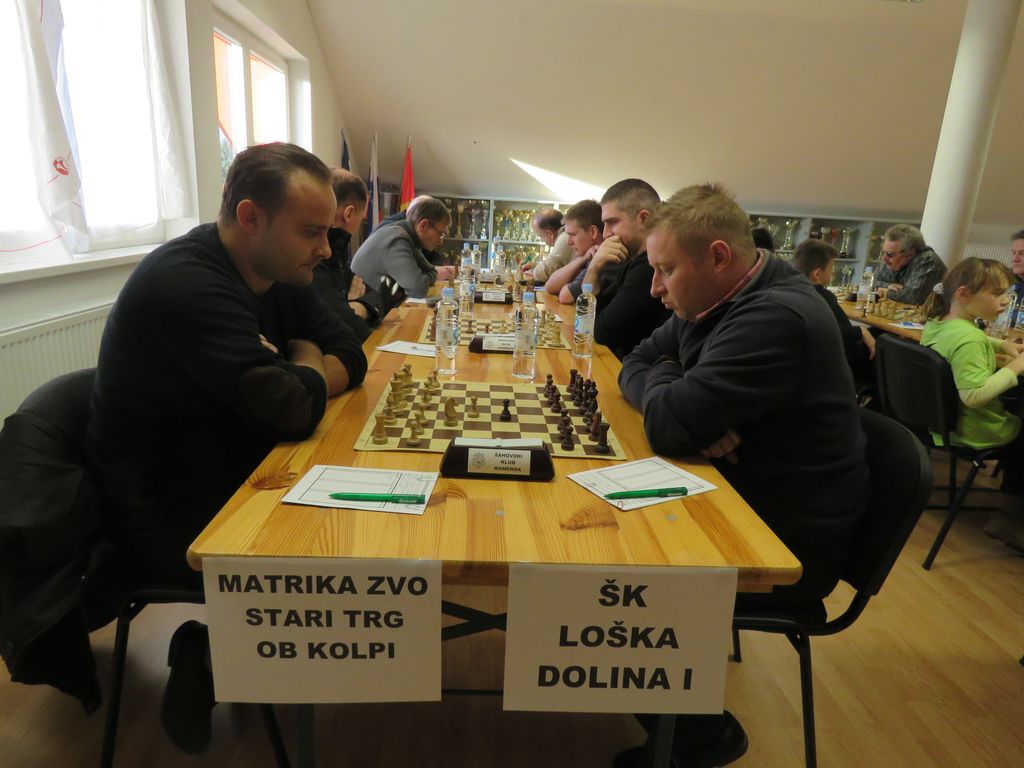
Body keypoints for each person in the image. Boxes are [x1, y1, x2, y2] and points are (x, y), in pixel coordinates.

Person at [86, 142, 368, 753]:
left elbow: (351, 349)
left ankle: (225, 649)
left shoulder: (275, 271)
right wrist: (304, 369)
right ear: (250, 217)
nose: (327, 249)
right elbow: (292, 409)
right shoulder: (185, 283)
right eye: (311, 232)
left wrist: (298, 362)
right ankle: (213, 654)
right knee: (347, 532)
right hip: (164, 513)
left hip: (234, 468)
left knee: (366, 506)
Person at [616, 183, 869, 768]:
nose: (655, 289)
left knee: (612, 568)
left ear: (719, 257)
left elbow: (668, 424)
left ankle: (699, 736)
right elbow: (636, 359)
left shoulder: (776, 316)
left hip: (784, 537)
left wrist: (676, 402)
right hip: (739, 495)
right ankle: (680, 712)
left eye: (666, 270)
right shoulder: (712, 300)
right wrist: (676, 392)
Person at [920, 258, 1024, 553]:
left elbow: (965, 338)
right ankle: (1011, 519)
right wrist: (1017, 365)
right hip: (975, 430)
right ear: (964, 294)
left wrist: (1000, 345)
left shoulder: (938, 324)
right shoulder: (970, 340)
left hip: (941, 425)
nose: (1005, 301)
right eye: (997, 293)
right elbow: (974, 396)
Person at [580, 179, 671, 359]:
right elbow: (586, 320)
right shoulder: (630, 260)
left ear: (644, 219)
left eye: (612, 222)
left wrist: (595, 267)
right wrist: (593, 269)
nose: (605, 233)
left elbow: (601, 333)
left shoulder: (648, 268)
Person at [312, 168, 384, 342]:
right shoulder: (313, 256)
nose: (325, 250)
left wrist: (356, 307)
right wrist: (348, 309)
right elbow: (341, 325)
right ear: (349, 213)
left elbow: (375, 296)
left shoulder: (338, 247)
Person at [792, 238, 876, 384]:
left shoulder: (788, 291)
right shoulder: (822, 296)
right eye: (831, 269)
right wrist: (861, 331)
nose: (833, 274)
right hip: (837, 369)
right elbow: (834, 332)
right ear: (817, 274)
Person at [351, 196, 456, 300]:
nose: (441, 241)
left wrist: (426, 277)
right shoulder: (397, 239)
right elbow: (418, 289)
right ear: (423, 225)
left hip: (377, 303)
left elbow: (431, 270)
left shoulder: (409, 237)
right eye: (441, 234)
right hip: (361, 306)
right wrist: (427, 277)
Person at [535, 199, 603, 301]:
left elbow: (565, 296)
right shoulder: (588, 256)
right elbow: (550, 286)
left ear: (593, 232)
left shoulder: (601, 256)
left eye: (573, 235)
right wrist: (582, 259)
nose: (568, 242)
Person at [874, 223, 947, 305]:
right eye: (883, 252)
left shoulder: (927, 260)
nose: (884, 258)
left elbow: (910, 297)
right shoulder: (889, 260)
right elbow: (872, 282)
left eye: (890, 254)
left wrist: (885, 292)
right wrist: (887, 285)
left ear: (909, 255)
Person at [524, 208, 573, 283]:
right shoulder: (564, 235)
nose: (541, 240)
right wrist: (536, 267)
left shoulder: (564, 238)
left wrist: (533, 272)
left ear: (550, 234)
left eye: (540, 236)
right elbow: (554, 267)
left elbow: (547, 269)